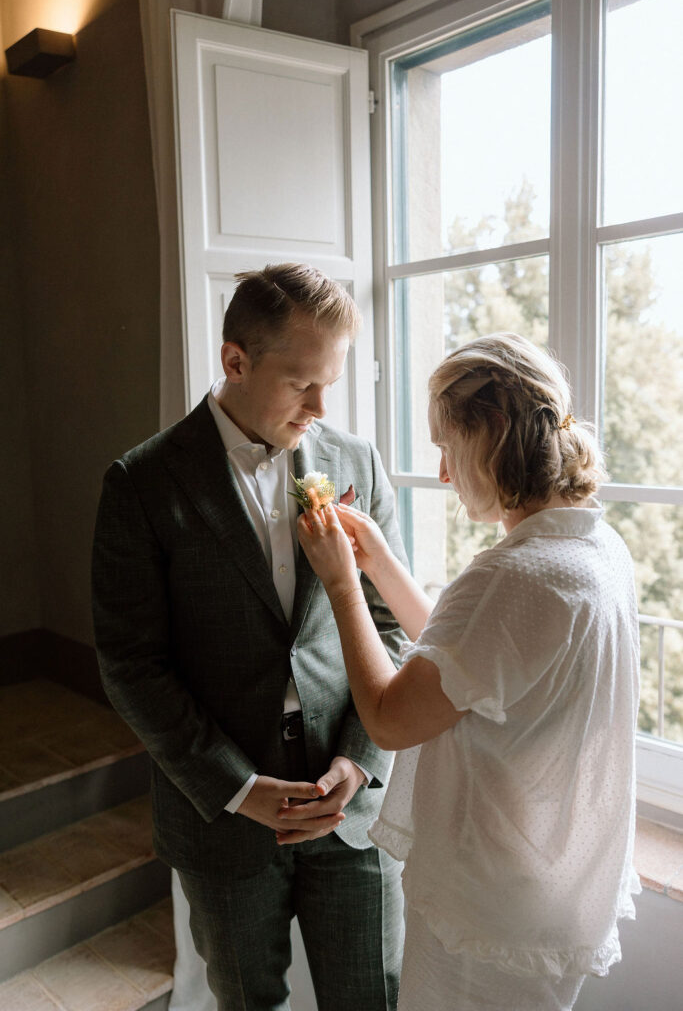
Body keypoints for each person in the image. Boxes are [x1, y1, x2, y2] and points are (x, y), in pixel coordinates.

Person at [290, 333, 641, 1011]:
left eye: (446, 447)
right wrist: (381, 564)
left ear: (495, 433)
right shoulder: (592, 544)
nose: (445, 474)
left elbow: (392, 718)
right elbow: (464, 669)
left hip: (491, 900)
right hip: (551, 886)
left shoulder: (514, 575)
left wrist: (340, 585)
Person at [91, 263, 407, 1011]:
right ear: (236, 360)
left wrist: (359, 762)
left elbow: (389, 626)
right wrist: (237, 788)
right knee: (245, 1001)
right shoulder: (141, 482)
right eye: (302, 383)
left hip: (351, 808)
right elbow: (133, 665)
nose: (321, 406)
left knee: (372, 998)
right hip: (221, 823)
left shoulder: (353, 461)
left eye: (331, 382)